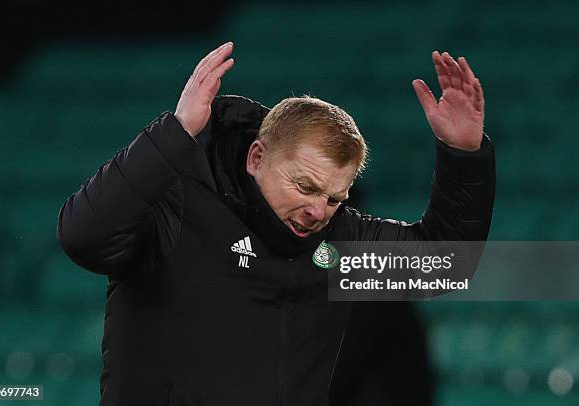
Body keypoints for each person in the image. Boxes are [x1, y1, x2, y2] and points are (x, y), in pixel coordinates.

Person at [57, 41, 495, 405]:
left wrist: (462, 153)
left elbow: (443, 266)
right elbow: (83, 237)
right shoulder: (177, 203)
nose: (318, 211)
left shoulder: (339, 241)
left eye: (334, 197)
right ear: (257, 157)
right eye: (304, 187)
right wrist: (175, 133)